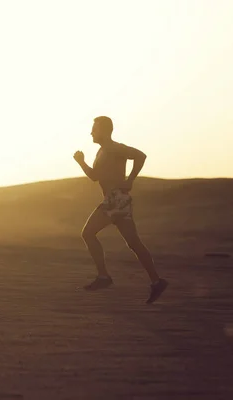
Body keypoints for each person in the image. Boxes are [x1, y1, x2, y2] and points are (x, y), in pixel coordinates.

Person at [73, 116, 168, 304]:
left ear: (105, 130)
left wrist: (131, 179)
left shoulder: (114, 148)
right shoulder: (102, 151)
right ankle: (156, 281)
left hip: (115, 200)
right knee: (133, 243)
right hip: (116, 200)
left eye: (95, 128)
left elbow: (141, 155)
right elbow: (94, 176)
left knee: (88, 233)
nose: (91, 132)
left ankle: (104, 277)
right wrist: (81, 162)